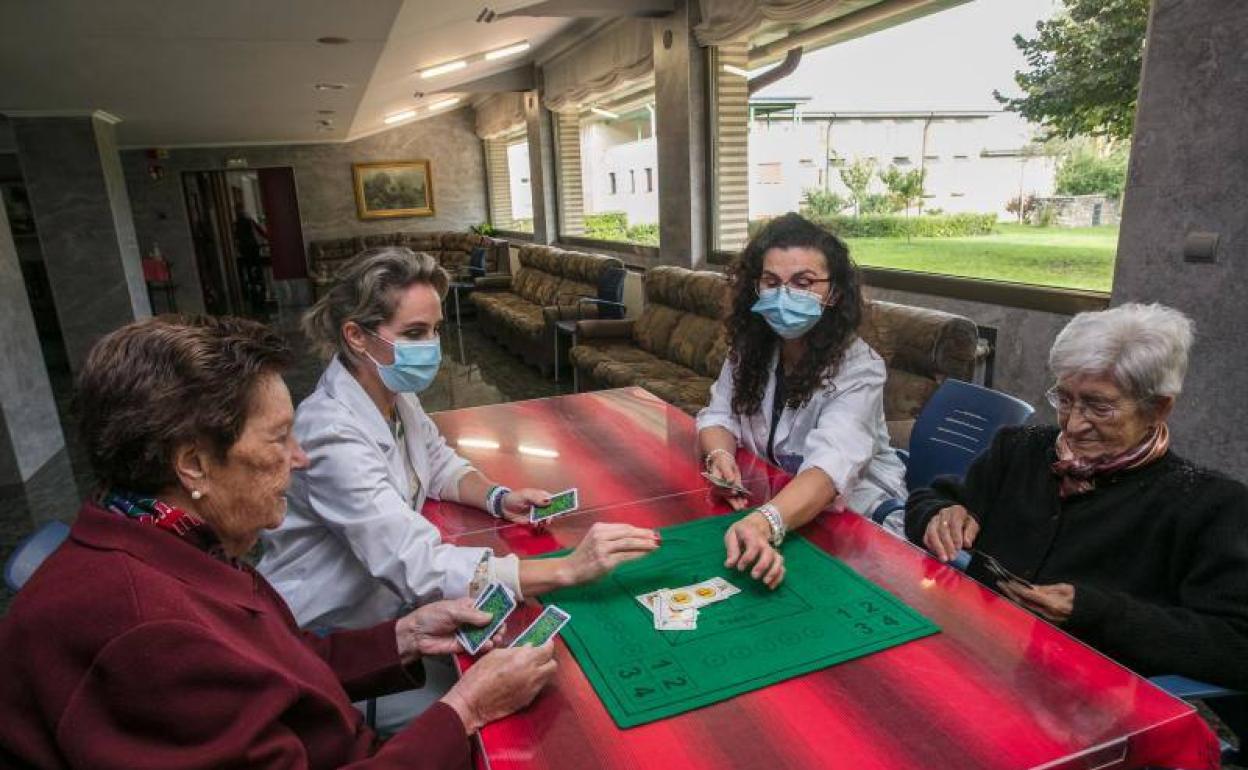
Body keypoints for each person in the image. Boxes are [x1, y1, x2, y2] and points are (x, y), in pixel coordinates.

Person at [0, 315, 556, 769]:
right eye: (278, 438)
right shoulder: (149, 635)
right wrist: (464, 710)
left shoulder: (166, 536)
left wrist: (404, 637)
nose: (300, 457)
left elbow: (277, 667)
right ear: (194, 464)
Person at [259, 246, 658, 631]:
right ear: (356, 336)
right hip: (332, 625)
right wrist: (567, 568)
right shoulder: (330, 433)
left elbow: (437, 462)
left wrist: (497, 497)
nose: (431, 346)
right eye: (414, 332)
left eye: (435, 330)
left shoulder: (394, 393)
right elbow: (416, 563)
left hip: (387, 603)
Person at [905, 303, 1248, 690]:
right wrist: (938, 514)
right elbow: (930, 497)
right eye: (1065, 399)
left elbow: (1235, 643)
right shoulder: (1021, 449)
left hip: (1087, 696)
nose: (1073, 423)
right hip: (976, 655)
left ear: (1159, 408)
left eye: (1099, 406)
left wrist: (1097, 613)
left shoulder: (1208, 505)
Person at [696, 213, 907, 590]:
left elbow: (829, 468)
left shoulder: (860, 368)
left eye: (803, 283)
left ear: (834, 294)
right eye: (771, 282)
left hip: (854, 519)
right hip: (781, 503)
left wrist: (765, 522)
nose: (784, 296)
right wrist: (720, 457)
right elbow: (718, 415)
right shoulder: (751, 349)